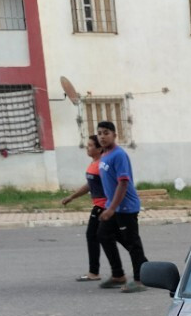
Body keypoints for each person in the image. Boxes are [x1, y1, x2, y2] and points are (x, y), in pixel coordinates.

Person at [61, 135, 123, 282]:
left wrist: (112, 206)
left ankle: (98, 272)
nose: (87, 148)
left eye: (90, 146)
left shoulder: (102, 164)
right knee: (114, 237)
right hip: (99, 205)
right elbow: (89, 185)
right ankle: (110, 271)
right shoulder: (94, 163)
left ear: (99, 148)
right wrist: (72, 197)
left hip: (103, 206)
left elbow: (113, 183)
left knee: (98, 236)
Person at [95, 121, 148, 293]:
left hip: (126, 207)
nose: (102, 136)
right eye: (100, 133)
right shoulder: (104, 154)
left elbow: (123, 183)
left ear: (114, 135)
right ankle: (118, 275)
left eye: (106, 133)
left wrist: (111, 209)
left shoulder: (119, 155)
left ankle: (141, 280)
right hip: (113, 206)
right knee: (103, 234)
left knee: (133, 243)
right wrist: (108, 206)